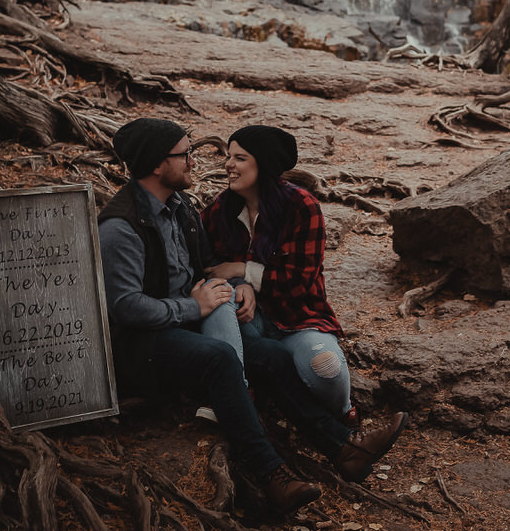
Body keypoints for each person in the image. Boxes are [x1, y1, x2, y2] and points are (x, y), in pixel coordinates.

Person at [98, 118, 407, 516]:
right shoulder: (121, 227)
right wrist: (195, 307)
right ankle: (271, 474)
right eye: (185, 154)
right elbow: (125, 307)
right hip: (141, 344)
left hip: (182, 325)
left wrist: (242, 281)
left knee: (272, 357)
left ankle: (344, 449)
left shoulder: (179, 209)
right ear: (158, 165)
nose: (195, 161)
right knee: (222, 358)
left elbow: (208, 265)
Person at [201, 125, 355, 425]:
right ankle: (240, 394)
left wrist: (243, 269)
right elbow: (207, 261)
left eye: (239, 158)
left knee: (326, 368)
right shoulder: (223, 207)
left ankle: (341, 416)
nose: (228, 165)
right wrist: (239, 283)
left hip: (299, 318)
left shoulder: (301, 206)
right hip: (249, 323)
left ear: (264, 163)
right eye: (228, 156)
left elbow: (298, 284)